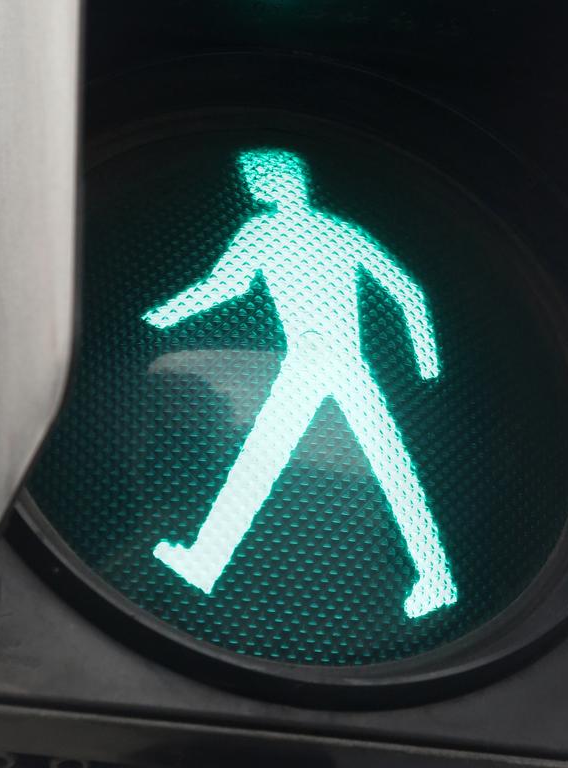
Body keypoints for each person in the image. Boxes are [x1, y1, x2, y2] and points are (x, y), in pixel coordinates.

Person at [144, 148, 456, 619]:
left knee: (272, 462)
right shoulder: (342, 231)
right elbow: (407, 293)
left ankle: (205, 562)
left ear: (274, 182)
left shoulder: (265, 231)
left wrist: (162, 318)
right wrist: (426, 365)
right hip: (338, 361)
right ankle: (436, 577)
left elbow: (223, 287)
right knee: (388, 471)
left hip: (316, 360)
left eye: (258, 180)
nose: (253, 189)